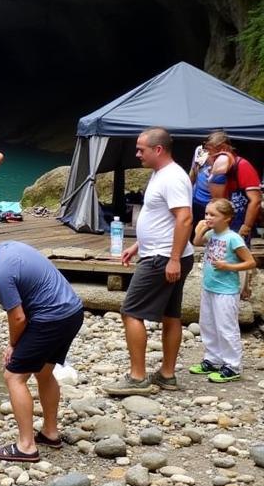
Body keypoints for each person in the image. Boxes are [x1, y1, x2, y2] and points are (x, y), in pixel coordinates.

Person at [0, 229, 84, 462]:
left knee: (13, 376)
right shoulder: (10, 246)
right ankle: (50, 432)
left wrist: (13, 345)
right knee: (44, 372)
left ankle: (26, 446)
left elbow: (18, 318)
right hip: (73, 312)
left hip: (52, 318)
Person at [104, 128, 194, 395]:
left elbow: (184, 218)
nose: (137, 154)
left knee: (130, 312)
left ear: (158, 150)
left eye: (141, 149)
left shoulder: (173, 178)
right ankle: (166, 375)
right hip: (162, 253)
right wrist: (136, 245)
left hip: (162, 257)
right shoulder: (160, 174)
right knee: (170, 315)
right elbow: (162, 219)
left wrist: (173, 259)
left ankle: (137, 378)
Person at [191, 198, 256, 383]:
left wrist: (228, 266)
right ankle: (212, 359)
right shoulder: (210, 233)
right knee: (208, 324)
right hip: (209, 286)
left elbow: (250, 262)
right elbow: (196, 242)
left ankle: (232, 365)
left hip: (226, 290)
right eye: (206, 214)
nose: (208, 217)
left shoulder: (233, 238)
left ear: (227, 218)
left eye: (213, 214)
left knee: (226, 327)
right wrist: (199, 228)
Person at [203, 131, 261, 240]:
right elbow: (217, 199)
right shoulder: (218, 170)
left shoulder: (243, 166)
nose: (211, 156)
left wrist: (246, 226)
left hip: (241, 222)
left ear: (224, 148)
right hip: (226, 222)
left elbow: (256, 200)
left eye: (212, 153)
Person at [189, 143, 213, 224]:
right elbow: (193, 171)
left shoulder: (221, 158)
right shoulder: (200, 150)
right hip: (195, 199)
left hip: (211, 203)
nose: (207, 150)